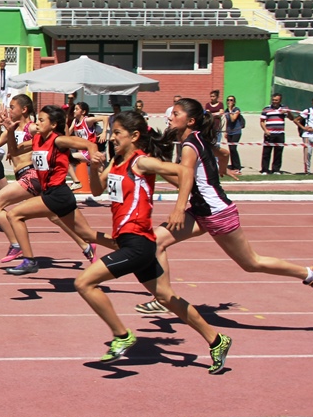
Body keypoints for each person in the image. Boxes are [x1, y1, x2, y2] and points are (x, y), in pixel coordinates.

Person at [135, 97, 313, 313]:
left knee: (251, 263)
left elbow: (186, 178)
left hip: (216, 213)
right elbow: (224, 154)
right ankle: (165, 297)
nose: (170, 117)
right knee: (155, 242)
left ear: (190, 121)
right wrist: (220, 170)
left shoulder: (191, 145)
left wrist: (178, 207)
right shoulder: (198, 139)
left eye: (176, 113)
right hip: (202, 211)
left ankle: (311, 274)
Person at [75, 110, 233, 371]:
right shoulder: (117, 162)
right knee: (167, 297)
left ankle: (121, 335)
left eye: (117, 133)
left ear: (135, 136)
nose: (112, 138)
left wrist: (180, 207)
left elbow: (184, 173)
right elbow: (96, 190)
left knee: (84, 282)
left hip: (138, 243)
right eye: (112, 132)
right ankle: (217, 340)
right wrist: (93, 168)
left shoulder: (142, 162)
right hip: (129, 243)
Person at [0, 95, 98, 265]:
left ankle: (16, 245)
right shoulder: (14, 128)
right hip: (30, 178)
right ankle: (86, 245)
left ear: (24, 109)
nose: (9, 110)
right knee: (54, 217)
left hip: (30, 175)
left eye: (12, 107)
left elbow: (55, 136)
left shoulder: (32, 128)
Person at [64, 101, 103, 190]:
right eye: (74, 109)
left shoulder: (87, 120)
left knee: (66, 159)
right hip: (84, 152)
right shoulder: (75, 121)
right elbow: (68, 135)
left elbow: (105, 118)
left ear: (83, 112)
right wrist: (65, 124)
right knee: (102, 172)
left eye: (76, 109)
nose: (74, 111)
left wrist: (104, 133)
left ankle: (76, 182)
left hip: (90, 151)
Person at [260, 93, 289, 174]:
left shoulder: (284, 108)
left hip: (280, 133)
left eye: (276, 100)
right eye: (273, 100)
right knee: (266, 152)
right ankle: (265, 169)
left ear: (280, 100)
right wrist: (265, 130)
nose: (274, 101)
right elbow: (262, 121)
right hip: (269, 133)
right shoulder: (266, 109)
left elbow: (291, 118)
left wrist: (287, 112)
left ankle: (276, 169)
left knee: (278, 152)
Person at [224, 96, 243, 171]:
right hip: (230, 132)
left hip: (236, 132)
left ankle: (237, 166)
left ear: (234, 102)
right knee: (230, 149)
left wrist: (230, 109)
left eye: (231, 100)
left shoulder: (236, 109)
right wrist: (226, 131)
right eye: (228, 100)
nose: (229, 101)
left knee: (233, 148)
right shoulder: (226, 110)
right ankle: (233, 165)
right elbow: (228, 121)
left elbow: (233, 119)